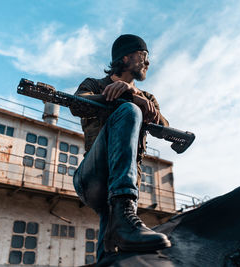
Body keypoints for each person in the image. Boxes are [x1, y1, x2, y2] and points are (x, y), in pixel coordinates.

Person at [70, 34, 171, 262]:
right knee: (128, 110)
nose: (148, 62)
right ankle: (123, 214)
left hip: (122, 188)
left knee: (112, 249)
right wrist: (126, 97)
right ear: (125, 57)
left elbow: (164, 126)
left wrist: (134, 95)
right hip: (92, 179)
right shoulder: (95, 84)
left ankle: (119, 229)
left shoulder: (148, 98)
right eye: (143, 56)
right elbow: (77, 104)